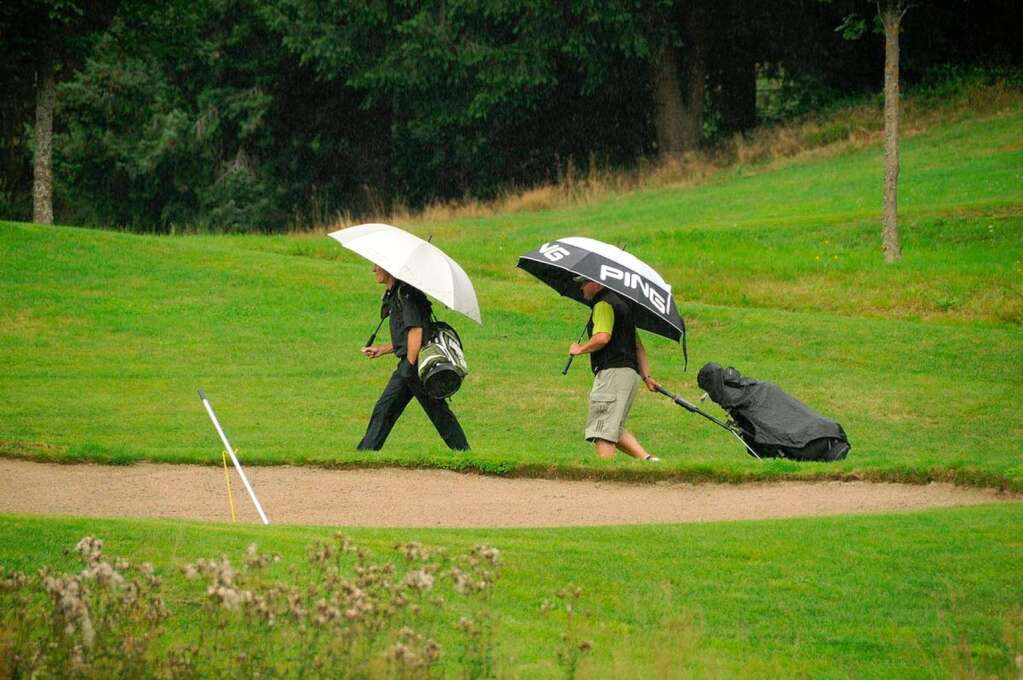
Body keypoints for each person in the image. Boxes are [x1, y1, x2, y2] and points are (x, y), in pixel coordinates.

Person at [357, 264, 470, 451]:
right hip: (416, 364)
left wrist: (409, 366)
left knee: (386, 410)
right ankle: (463, 451)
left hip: (416, 365)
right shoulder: (399, 293)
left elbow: (416, 331)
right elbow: (406, 337)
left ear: (388, 268)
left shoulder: (406, 294)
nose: (373, 270)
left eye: (377, 266)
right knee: (435, 412)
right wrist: (382, 350)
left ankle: (365, 453)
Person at [568, 276, 660, 461]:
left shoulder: (603, 304)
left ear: (596, 284)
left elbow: (602, 337)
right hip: (630, 376)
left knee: (602, 430)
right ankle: (650, 461)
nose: (581, 288)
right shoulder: (623, 307)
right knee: (613, 428)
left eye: (584, 283)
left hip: (613, 374)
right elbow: (638, 347)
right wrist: (646, 377)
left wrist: (580, 349)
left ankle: (605, 480)